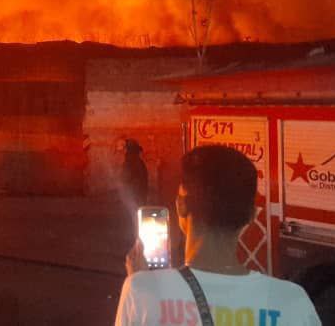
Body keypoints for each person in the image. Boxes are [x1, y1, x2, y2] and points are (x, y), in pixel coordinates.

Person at [116, 146, 320, 325]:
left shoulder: (141, 290)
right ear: (251, 215)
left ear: (181, 206)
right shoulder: (292, 302)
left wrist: (145, 288)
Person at [121, 139, 148, 209]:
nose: (125, 152)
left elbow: (126, 178)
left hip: (135, 197)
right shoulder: (137, 162)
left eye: (127, 149)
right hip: (135, 197)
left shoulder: (133, 162)